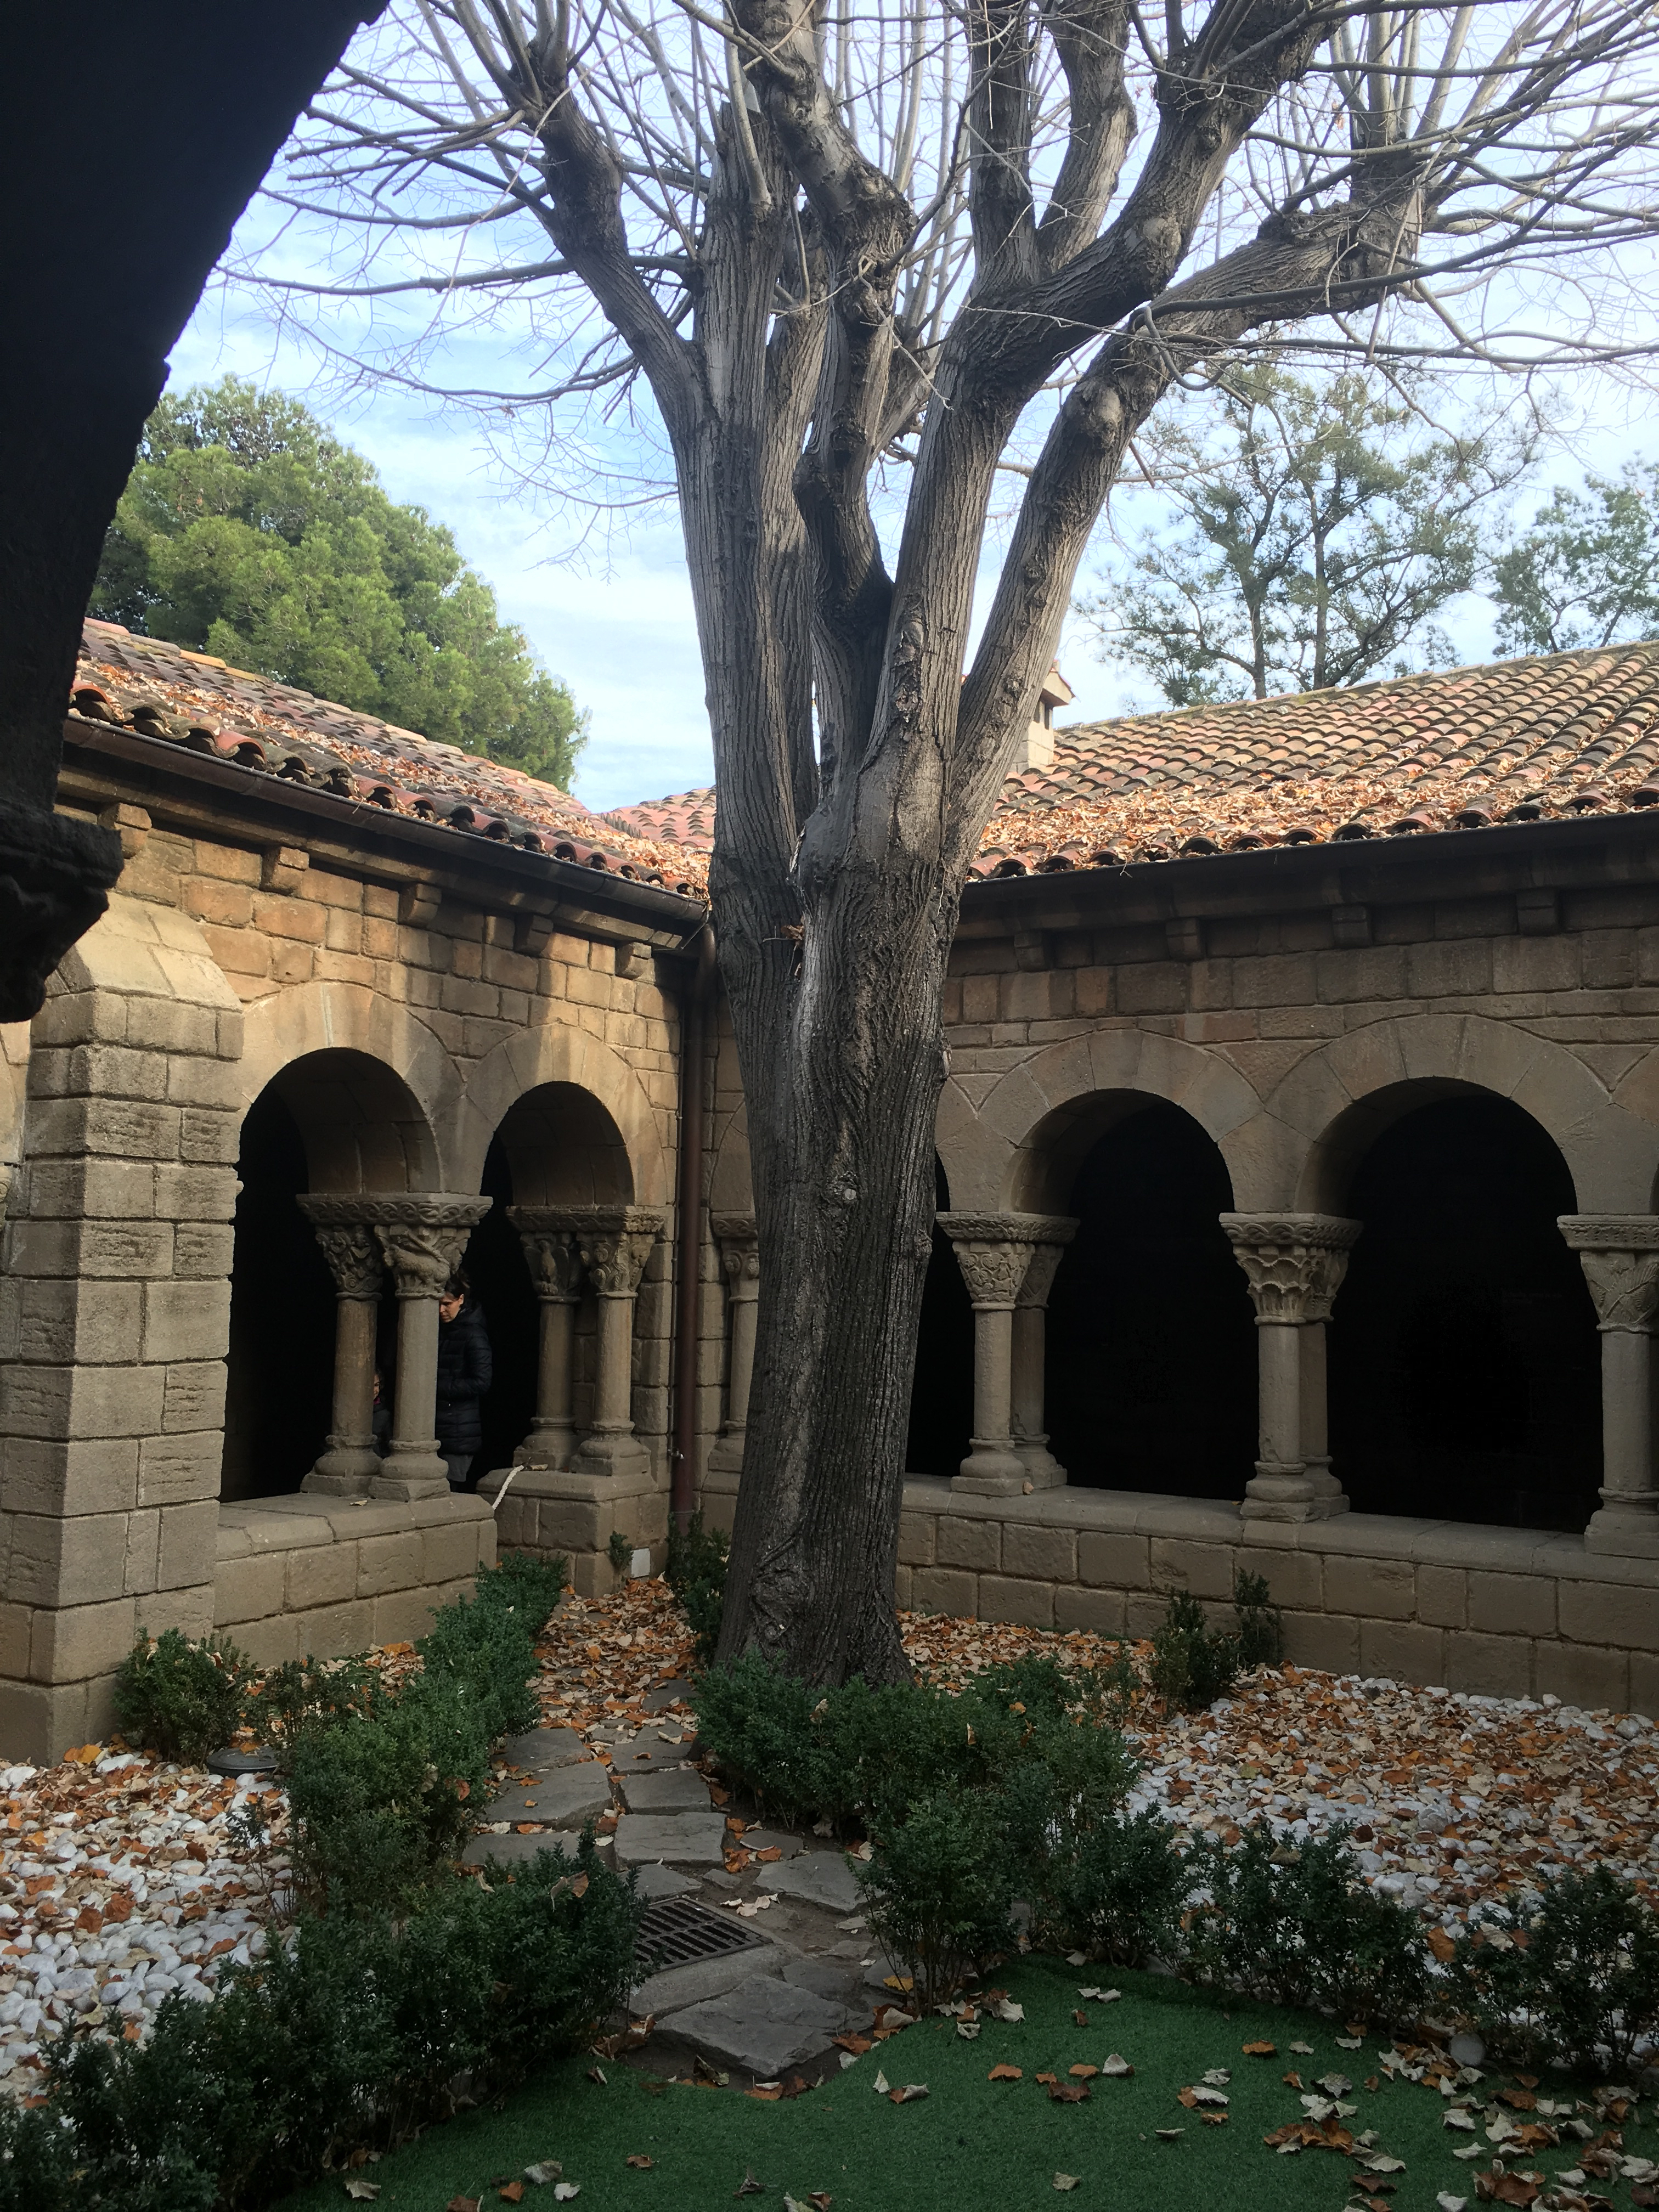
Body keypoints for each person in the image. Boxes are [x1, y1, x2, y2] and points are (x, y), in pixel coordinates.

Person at [434, 1269, 492, 1491]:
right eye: (438, 1304)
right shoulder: (440, 1329)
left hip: (458, 1431)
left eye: (447, 1304)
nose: (441, 1310)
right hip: (437, 1426)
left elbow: (482, 1381)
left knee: (450, 1490)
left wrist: (438, 1388)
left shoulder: (473, 1334)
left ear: (461, 1300)